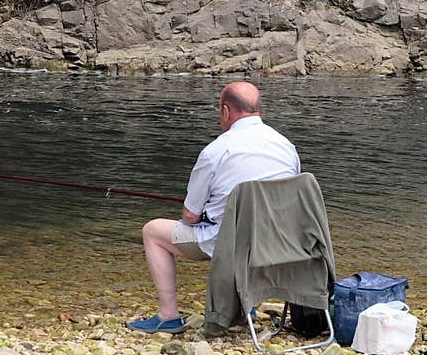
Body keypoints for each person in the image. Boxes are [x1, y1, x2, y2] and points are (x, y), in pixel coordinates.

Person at [128, 81, 301, 333]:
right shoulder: (287, 147)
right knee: (243, 224)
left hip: (229, 245)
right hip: (276, 244)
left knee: (152, 231)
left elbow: (189, 215)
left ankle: (168, 315)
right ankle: (244, 304)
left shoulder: (217, 150)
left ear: (225, 111)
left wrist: (202, 215)